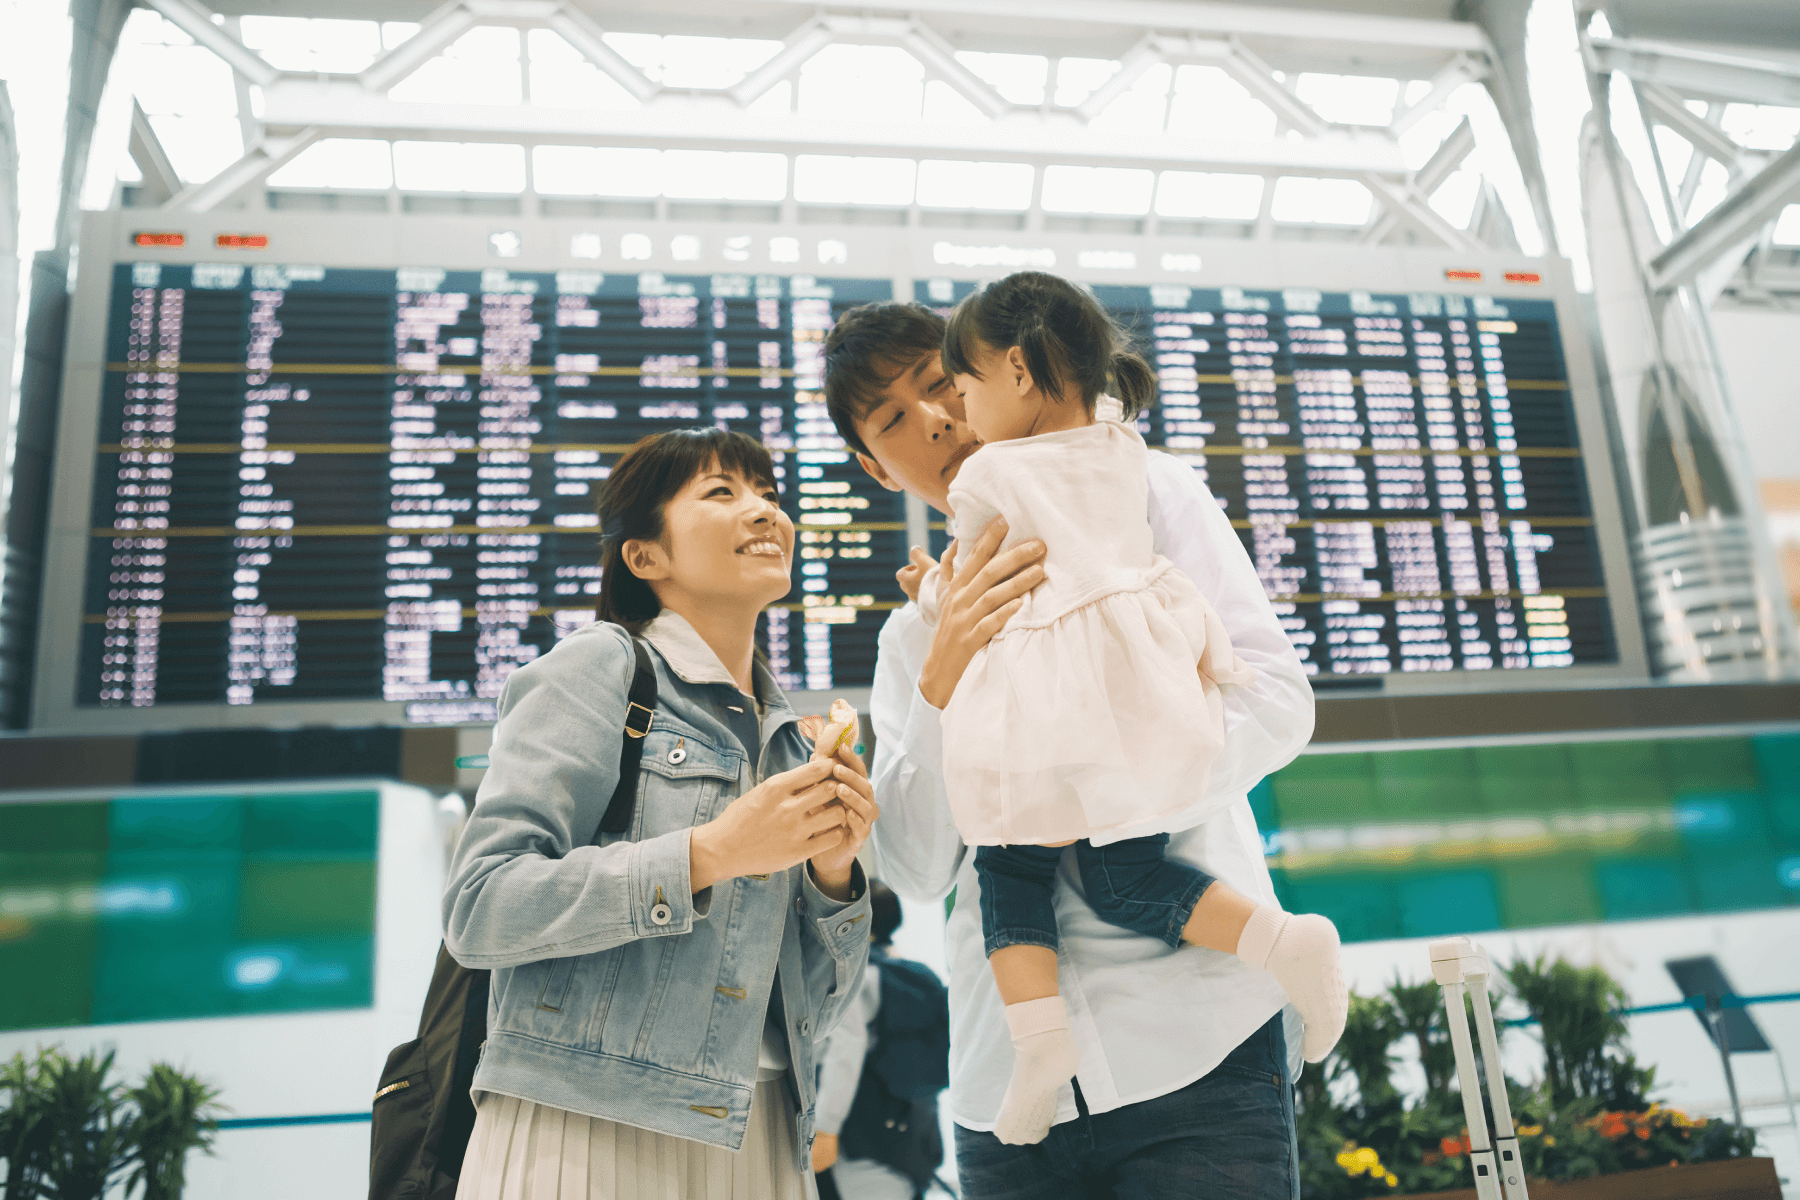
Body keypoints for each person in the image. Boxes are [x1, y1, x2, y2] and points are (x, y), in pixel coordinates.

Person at [824, 300, 1317, 1196]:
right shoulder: (911, 641)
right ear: (874, 467)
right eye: (893, 418)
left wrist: (1093, 792)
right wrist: (942, 681)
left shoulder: (1148, 497)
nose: (934, 420)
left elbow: (1278, 701)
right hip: (1007, 1094)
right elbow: (923, 866)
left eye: (940, 385)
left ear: (998, 379)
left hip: (1199, 1041)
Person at [443, 428, 879, 1199]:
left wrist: (833, 872)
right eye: (723, 493)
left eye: (770, 496)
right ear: (645, 557)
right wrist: (709, 854)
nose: (763, 512)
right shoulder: (600, 667)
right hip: (588, 1119)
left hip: (765, 1130)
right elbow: (482, 906)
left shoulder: (790, 743)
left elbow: (823, 1003)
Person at [812, 883, 949, 1200]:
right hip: (914, 1131)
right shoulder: (916, 973)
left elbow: (845, 1051)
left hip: (863, 1134)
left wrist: (825, 1127)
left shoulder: (857, 976)